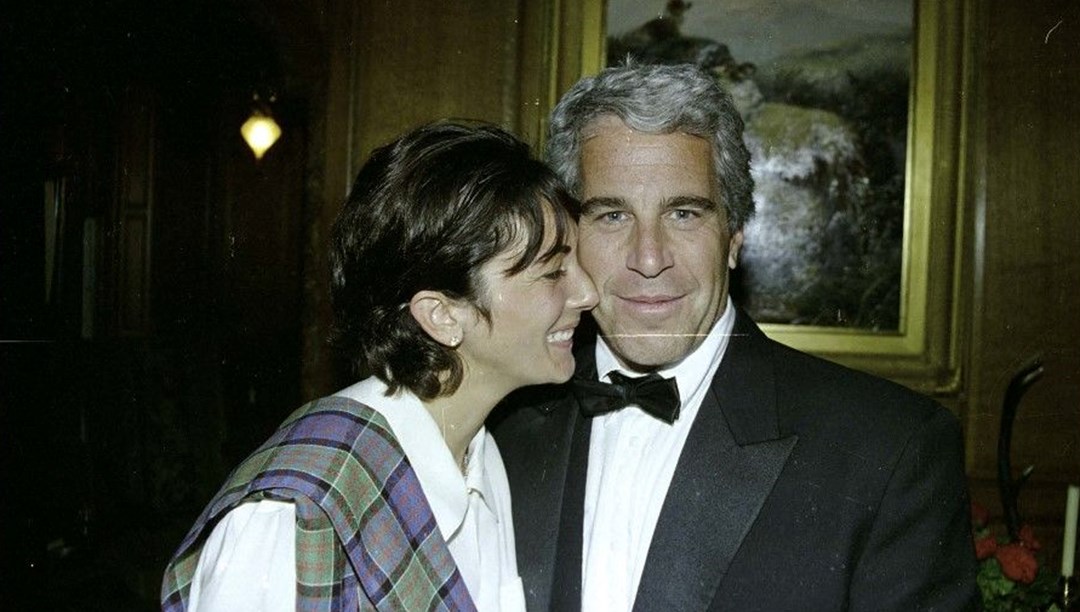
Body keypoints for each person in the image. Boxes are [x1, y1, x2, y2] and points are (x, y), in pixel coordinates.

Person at [491, 63, 980, 610]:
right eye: (612, 216)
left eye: (683, 213)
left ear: (734, 237)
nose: (648, 259)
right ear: (567, 238)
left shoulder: (888, 451)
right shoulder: (500, 421)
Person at [161, 122, 598, 611]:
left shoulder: (480, 457)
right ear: (442, 315)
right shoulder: (290, 520)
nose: (588, 293)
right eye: (553, 272)